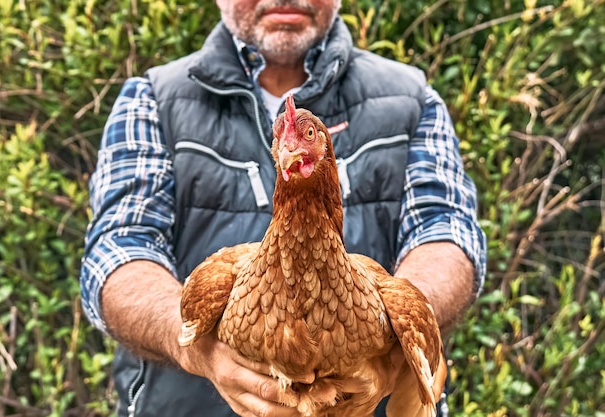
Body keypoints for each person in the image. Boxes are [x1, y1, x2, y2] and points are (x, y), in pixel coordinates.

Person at [80, 0, 487, 416]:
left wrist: (397, 339)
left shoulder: (411, 97)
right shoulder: (152, 98)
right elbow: (120, 249)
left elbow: (446, 233)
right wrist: (194, 347)